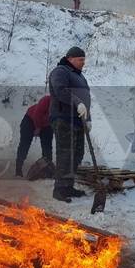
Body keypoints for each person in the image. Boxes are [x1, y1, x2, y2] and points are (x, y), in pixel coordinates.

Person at [48, 46, 90, 202]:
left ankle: (68, 186)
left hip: (78, 120)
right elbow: (61, 90)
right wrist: (77, 103)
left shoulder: (80, 76)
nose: (83, 63)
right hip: (63, 118)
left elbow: (86, 99)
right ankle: (59, 189)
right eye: (80, 60)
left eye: (84, 60)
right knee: (65, 154)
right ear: (70, 58)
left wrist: (88, 118)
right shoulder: (60, 71)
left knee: (77, 154)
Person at [15, 95, 53, 177]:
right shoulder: (47, 99)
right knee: (24, 144)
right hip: (30, 120)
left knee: (47, 147)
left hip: (47, 124)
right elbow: (37, 114)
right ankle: (18, 168)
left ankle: (48, 170)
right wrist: (38, 127)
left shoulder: (65, 105)